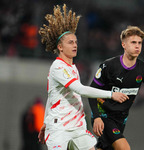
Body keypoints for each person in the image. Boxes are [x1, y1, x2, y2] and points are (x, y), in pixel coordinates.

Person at [37, 4, 129, 150]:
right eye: (70, 42)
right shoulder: (58, 67)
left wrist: (44, 122)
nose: (75, 45)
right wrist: (111, 94)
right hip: (59, 129)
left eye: (76, 42)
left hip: (77, 128)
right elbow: (80, 90)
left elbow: (52, 96)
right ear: (60, 47)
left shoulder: (72, 67)